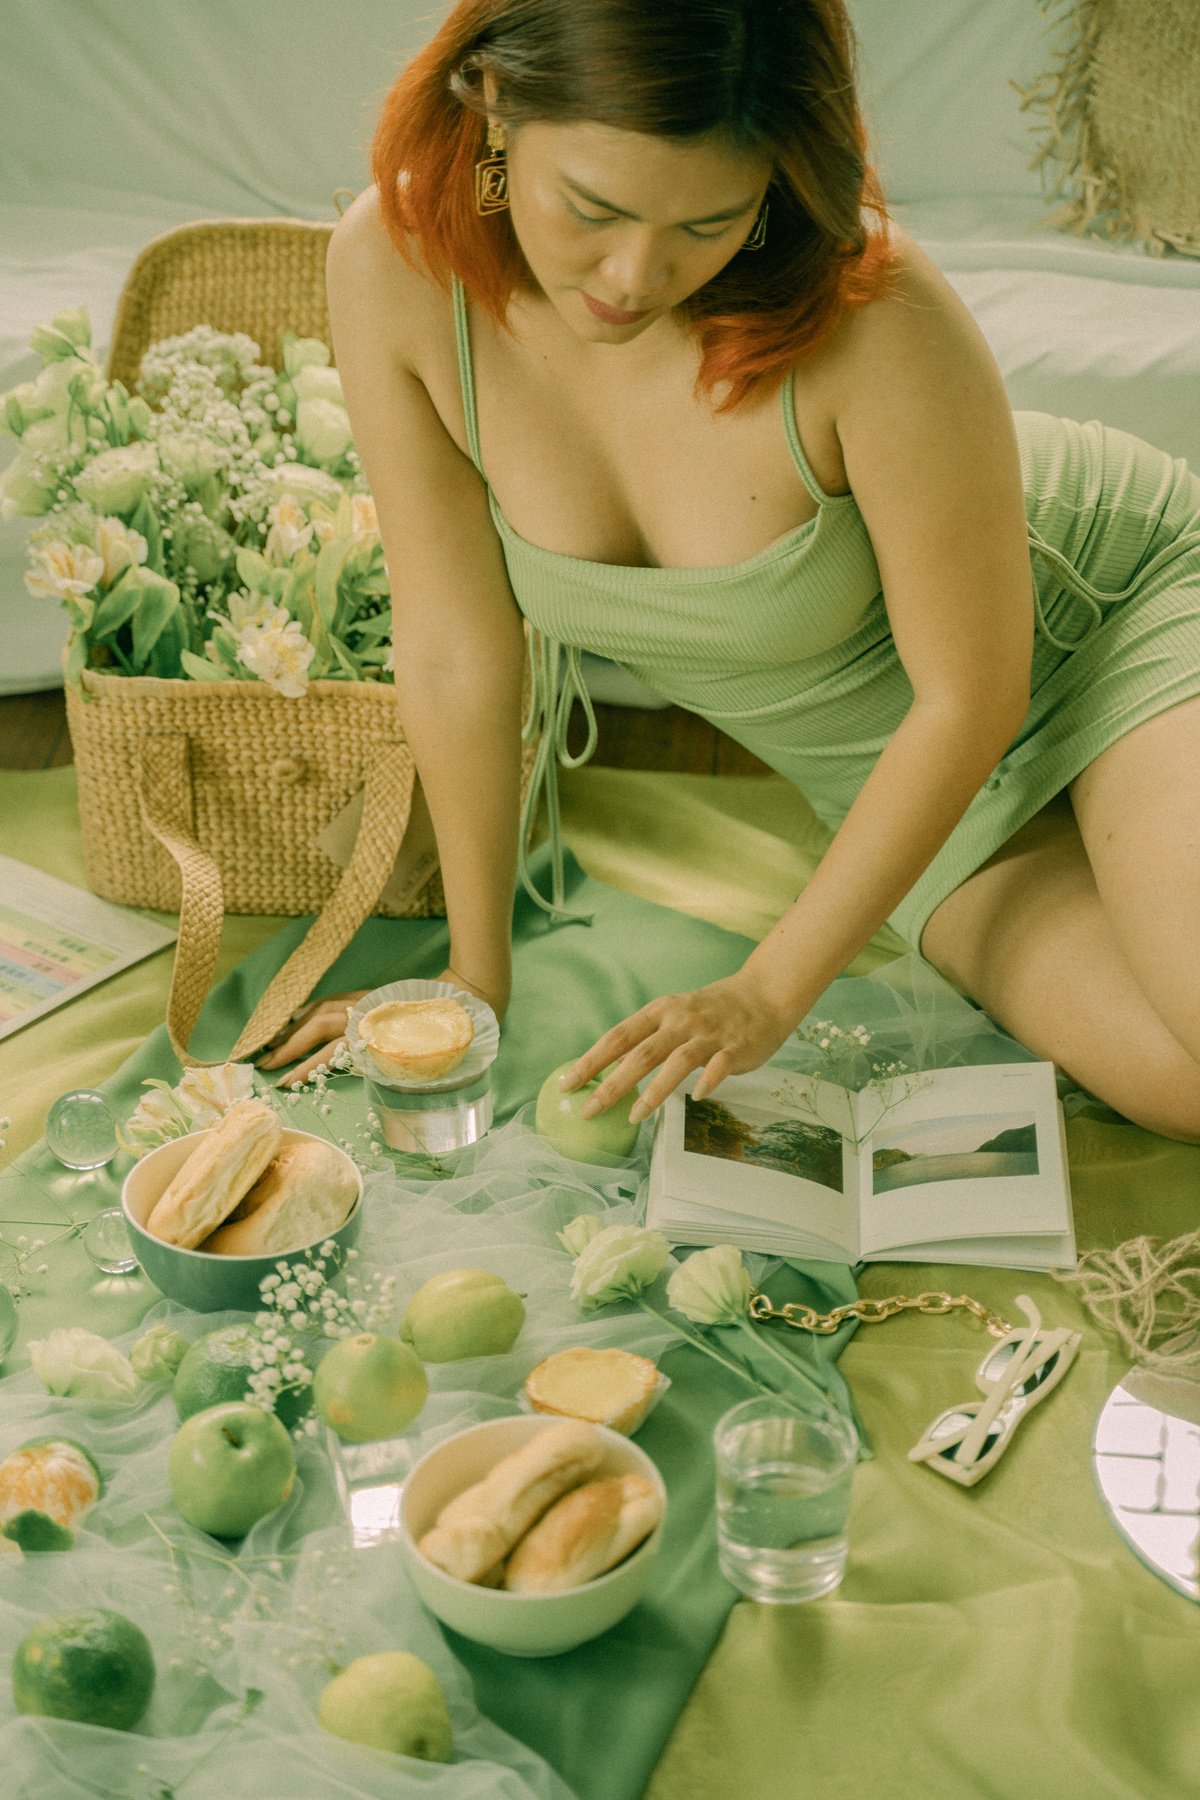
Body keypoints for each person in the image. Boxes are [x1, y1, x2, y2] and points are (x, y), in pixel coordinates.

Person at [259, 0, 1200, 1143]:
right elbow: (457, 648)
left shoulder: (875, 311)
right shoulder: (396, 267)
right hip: (895, 778)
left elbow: (971, 696)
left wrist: (767, 989)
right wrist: (475, 980)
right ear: (496, 105)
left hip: (1117, 626)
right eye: (592, 209)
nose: (635, 273)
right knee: (1181, 1088)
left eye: (710, 222)